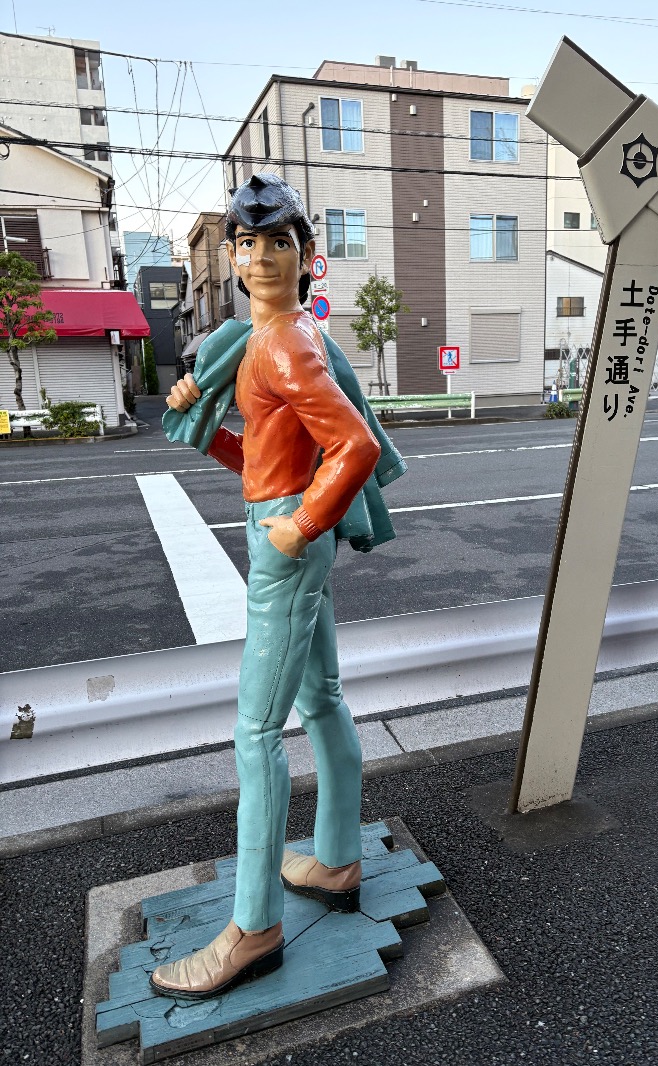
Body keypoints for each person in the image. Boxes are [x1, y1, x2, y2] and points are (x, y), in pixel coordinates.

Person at [149, 173, 403, 1001]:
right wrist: (206, 433)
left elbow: (354, 448)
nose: (262, 256)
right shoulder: (279, 338)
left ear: (306, 257)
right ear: (232, 256)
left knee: (255, 733)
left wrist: (298, 526)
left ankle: (253, 927)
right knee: (322, 696)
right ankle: (334, 859)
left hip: (288, 542)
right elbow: (268, 463)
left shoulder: (283, 343)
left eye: (279, 242)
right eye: (249, 243)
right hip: (290, 524)